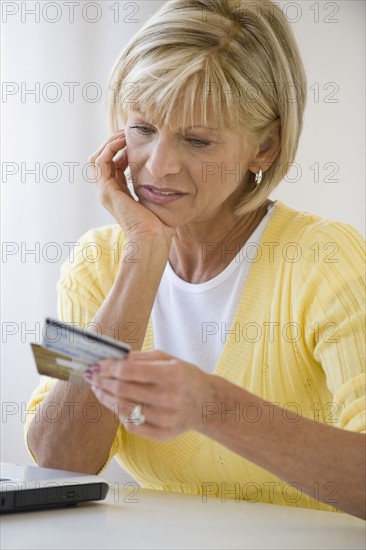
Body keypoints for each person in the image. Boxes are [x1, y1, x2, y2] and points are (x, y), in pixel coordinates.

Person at [26, 0, 365, 519]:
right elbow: (57, 459)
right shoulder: (98, 260)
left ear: (265, 146)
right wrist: (142, 256)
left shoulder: (326, 259)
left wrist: (212, 405)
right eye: (142, 129)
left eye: (197, 139)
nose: (158, 167)